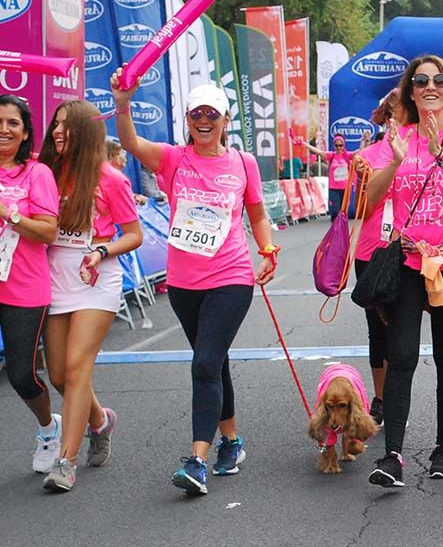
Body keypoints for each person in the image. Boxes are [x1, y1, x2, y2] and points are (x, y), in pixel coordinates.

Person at [112, 73, 277, 496]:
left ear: (225, 120)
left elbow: (256, 212)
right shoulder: (172, 159)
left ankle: (197, 461)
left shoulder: (242, 163)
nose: (203, 120)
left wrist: (268, 248)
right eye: (196, 114)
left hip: (231, 276)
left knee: (204, 363)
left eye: (212, 114)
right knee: (213, 361)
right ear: (187, 119)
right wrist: (124, 103)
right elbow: (129, 143)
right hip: (184, 282)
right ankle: (233, 441)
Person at [364, 55, 443, 486]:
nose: (430, 86)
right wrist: (397, 161)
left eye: (440, 80)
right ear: (411, 90)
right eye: (421, 81)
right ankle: (393, 456)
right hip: (407, 260)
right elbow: (370, 199)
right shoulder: (396, 136)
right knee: (399, 356)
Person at [37, 100, 143, 492]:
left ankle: (65, 462)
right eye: (56, 124)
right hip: (55, 277)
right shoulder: (47, 172)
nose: (58, 131)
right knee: (60, 374)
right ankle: (100, 421)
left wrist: (102, 251)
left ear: (85, 132)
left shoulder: (109, 178)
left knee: (79, 366)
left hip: (96, 278)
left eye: (67, 125)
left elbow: (134, 233)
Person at [0, 95, 61, 476]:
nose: (3, 130)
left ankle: (48, 429)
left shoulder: (36, 174)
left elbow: (49, 232)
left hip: (23, 287)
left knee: (22, 374)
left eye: (12, 123)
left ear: (25, 133)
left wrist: (9, 213)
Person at [351, 89, 401, 426]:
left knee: (404, 329)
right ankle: (382, 399)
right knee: (377, 331)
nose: (402, 118)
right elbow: (364, 209)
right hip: (373, 251)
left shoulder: (429, 150)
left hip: (413, 251)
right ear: (386, 115)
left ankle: (399, 397)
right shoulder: (367, 155)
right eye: (396, 111)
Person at [308, 133, 349, 220]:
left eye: (340, 145)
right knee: (335, 210)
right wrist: (306, 145)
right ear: (334, 146)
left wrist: (365, 142)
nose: (338, 148)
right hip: (334, 188)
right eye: (336, 145)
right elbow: (318, 152)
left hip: (345, 188)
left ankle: (342, 229)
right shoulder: (331, 155)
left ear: (344, 145)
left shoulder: (347, 156)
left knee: (344, 211)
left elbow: (360, 151)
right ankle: (334, 227)